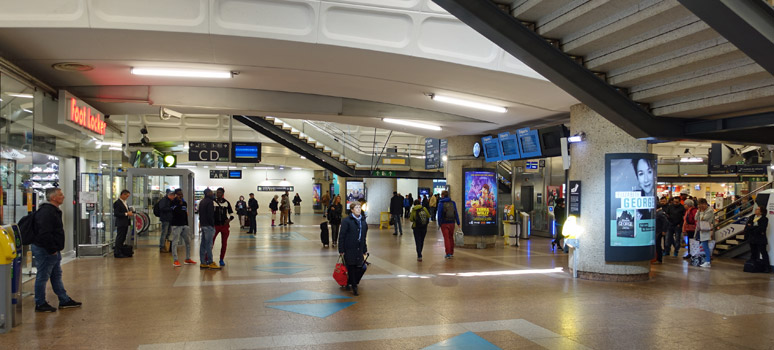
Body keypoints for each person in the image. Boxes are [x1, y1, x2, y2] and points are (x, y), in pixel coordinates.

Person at [31, 188, 82, 312]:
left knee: (56, 275)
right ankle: (40, 303)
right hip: (46, 250)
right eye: (60, 195)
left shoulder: (53, 211)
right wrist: (52, 249)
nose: (63, 196)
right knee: (43, 276)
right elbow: (44, 233)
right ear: (53, 197)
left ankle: (64, 299)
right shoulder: (47, 212)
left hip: (52, 250)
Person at [338, 201, 368, 296]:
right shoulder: (346, 221)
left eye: (359, 207)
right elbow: (342, 236)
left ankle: (351, 281)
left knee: (361, 267)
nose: (359, 209)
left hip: (359, 248)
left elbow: (364, 236)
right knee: (351, 266)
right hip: (349, 248)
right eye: (356, 208)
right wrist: (341, 249)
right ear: (352, 210)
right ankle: (354, 286)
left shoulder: (363, 221)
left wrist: (364, 249)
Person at [169, 189, 195, 267]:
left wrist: (187, 224)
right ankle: (175, 260)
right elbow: (174, 212)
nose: (180, 195)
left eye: (181, 194)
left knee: (188, 242)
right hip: (176, 225)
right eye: (178, 194)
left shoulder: (184, 203)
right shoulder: (172, 203)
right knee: (175, 242)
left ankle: (187, 258)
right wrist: (178, 202)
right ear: (175, 195)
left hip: (184, 225)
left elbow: (185, 213)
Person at [199, 188, 221, 270]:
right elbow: (210, 215)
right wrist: (212, 225)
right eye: (211, 193)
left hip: (203, 224)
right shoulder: (209, 202)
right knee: (209, 244)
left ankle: (203, 262)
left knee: (203, 244)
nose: (213, 194)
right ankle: (210, 262)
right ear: (208, 193)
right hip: (208, 226)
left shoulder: (202, 201)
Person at [213, 187, 234, 266]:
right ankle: (208, 259)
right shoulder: (213, 202)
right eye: (217, 192)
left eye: (220, 192)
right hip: (215, 225)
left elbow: (231, 213)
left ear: (222, 194)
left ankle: (221, 259)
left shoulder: (226, 203)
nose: (218, 194)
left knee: (224, 243)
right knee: (211, 242)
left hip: (224, 226)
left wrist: (229, 220)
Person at [436, 190, 460, 259]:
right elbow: (456, 213)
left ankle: (448, 253)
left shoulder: (441, 203)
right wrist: (458, 222)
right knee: (451, 237)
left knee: (446, 238)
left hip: (444, 223)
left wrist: (439, 223)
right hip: (452, 222)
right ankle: (452, 252)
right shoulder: (453, 203)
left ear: (443, 195)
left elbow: (439, 214)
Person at [746, 206, 771, 272]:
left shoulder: (764, 219)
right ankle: (752, 266)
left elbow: (762, 228)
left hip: (760, 239)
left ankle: (767, 267)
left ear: (761, 211)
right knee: (753, 252)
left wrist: (752, 228)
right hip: (752, 238)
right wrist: (754, 228)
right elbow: (747, 227)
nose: (756, 210)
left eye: (757, 209)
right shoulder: (752, 217)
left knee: (763, 253)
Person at [113, 189, 133, 258]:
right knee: (120, 237)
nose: (127, 197)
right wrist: (126, 213)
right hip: (121, 223)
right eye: (126, 196)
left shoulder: (125, 202)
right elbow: (116, 213)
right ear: (123, 194)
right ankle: (117, 252)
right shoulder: (117, 203)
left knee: (123, 237)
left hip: (125, 223)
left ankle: (121, 251)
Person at [695, 198, 714, 268]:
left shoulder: (710, 210)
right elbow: (696, 218)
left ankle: (708, 261)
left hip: (706, 229)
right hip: (700, 229)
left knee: (705, 245)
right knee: (703, 245)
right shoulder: (700, 210)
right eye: (700, 205)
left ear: (705, 204)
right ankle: (706, 260)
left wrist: (701, 212)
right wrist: (698, 211)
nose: (701, 207)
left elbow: (703, 218)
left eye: (702, 205)